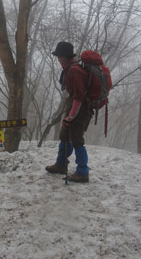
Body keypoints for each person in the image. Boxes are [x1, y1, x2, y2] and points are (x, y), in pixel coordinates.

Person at [45, 42, 93, 183]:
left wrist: (70, 117)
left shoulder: (74, 71)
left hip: (80, 110)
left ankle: (83, 172)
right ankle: (61, 164)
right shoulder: (70, 69)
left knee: (77, 139)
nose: (58, 59)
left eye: (59, 57)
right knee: (65, 135)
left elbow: (78, 97)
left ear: (65, 57)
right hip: (74, 107)